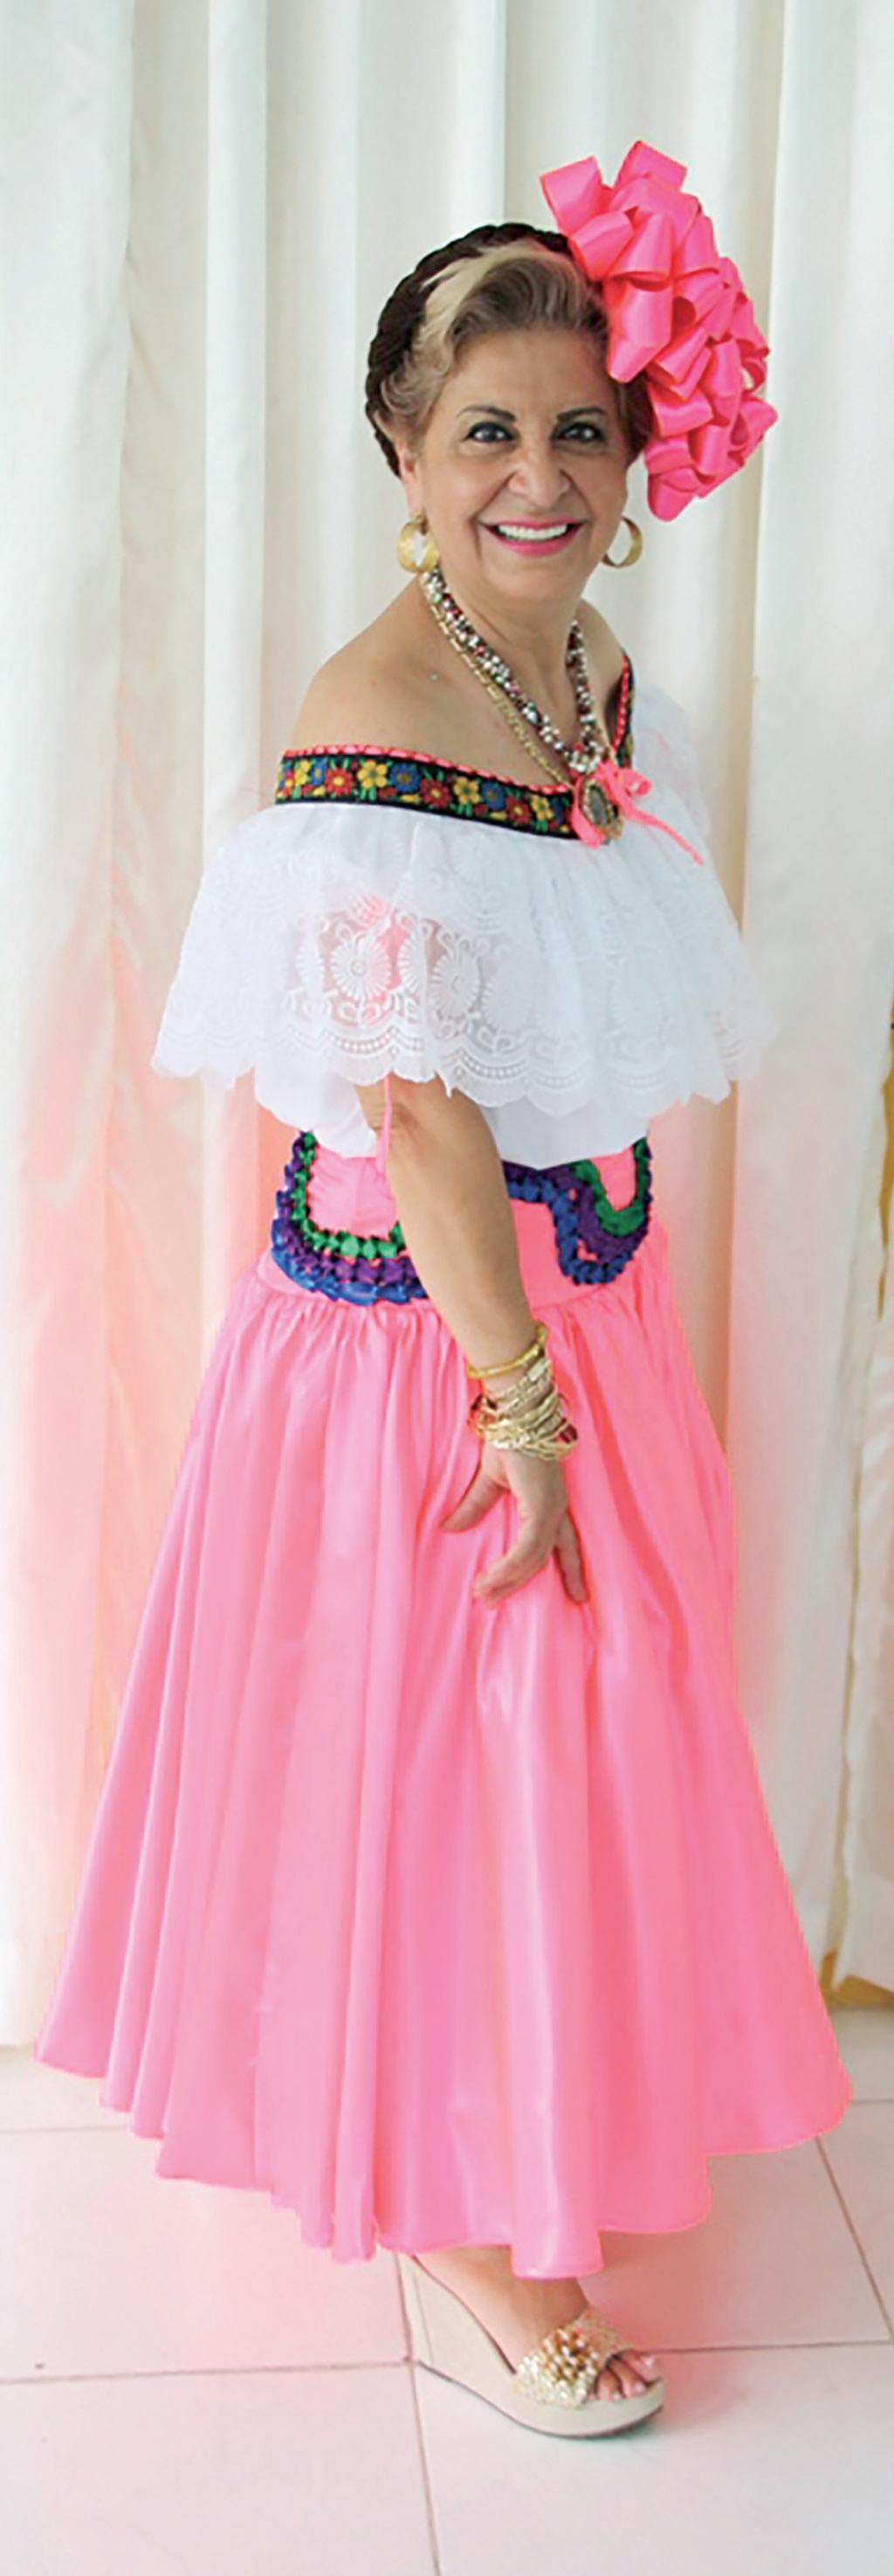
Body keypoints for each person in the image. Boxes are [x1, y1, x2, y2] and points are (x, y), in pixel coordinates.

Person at [33, 141, 853, 2440]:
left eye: (581, 426)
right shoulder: (376, 725)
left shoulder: (589, 670)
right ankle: (478, 2243)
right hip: (432, 1345)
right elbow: (415, 1111)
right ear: (401, 451)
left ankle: (529, 2129)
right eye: (487, 429)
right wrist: (522, 1407)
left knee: (562, 1758)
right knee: (459, 1759)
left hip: (565, 1299)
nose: (541, 475)